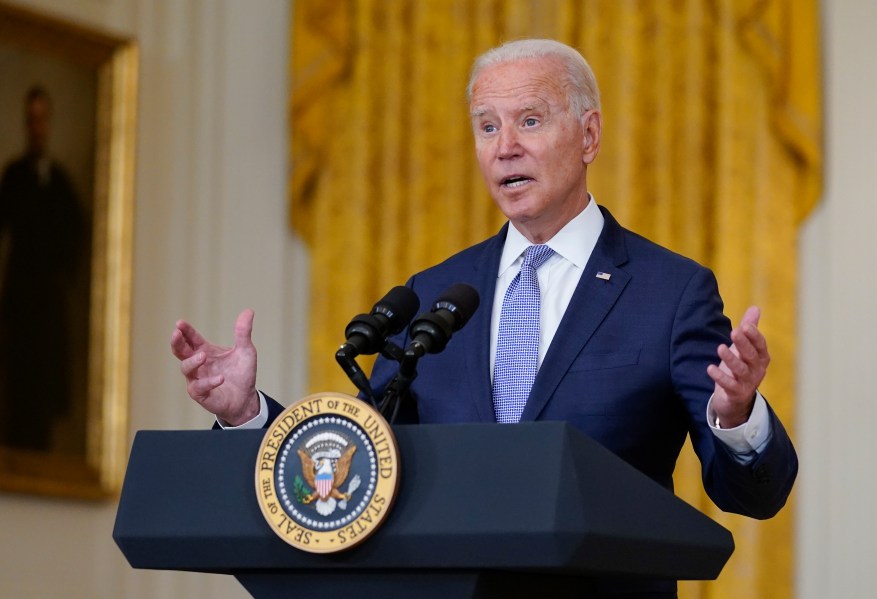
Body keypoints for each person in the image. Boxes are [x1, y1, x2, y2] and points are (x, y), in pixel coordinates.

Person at [171, 39, 797, 597]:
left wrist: (738, 416)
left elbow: (753, 495)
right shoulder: (437, 294)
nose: (506, 148)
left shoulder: (671, 291)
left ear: (589, 135)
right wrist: (249, 415)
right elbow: (360, 466)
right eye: (486, 126)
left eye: (529, 120)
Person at [0, 85, 88, 451]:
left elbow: (78, 235)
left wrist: (60, 272)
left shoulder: (61, 184)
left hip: (48, 310)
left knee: (44, 399)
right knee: (16, 394)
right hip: (19, 304)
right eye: (31, 120)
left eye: (42, 120)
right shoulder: (15, 176)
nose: (37, 127)